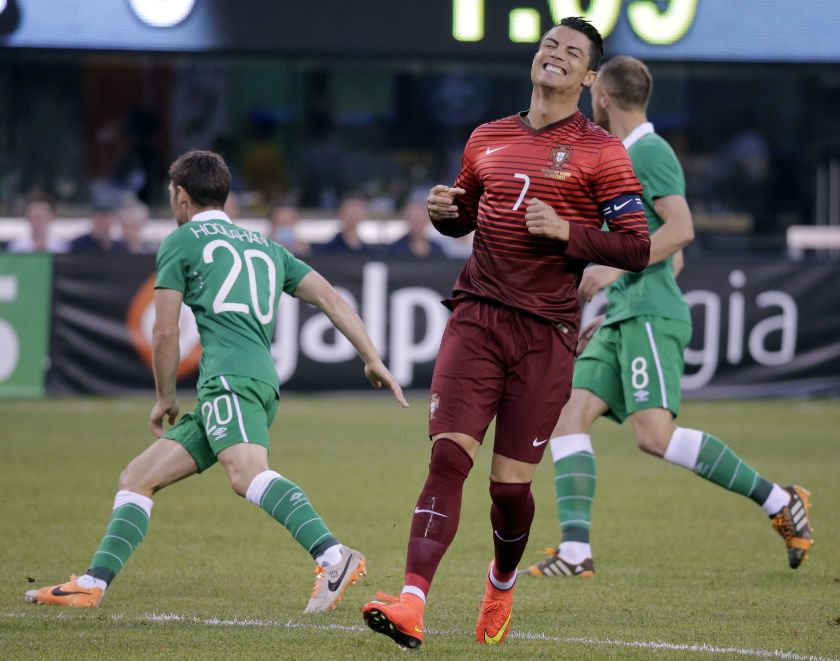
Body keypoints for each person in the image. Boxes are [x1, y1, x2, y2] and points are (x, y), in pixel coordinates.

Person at [361, 18, 651, 649]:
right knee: (447, 457)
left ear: (589, 77)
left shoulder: (602, 152)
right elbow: (465, 214)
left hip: (546, 336)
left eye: (572, 53)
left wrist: (569, 234)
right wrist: (448, 214)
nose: (557, 56)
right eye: (550, 45)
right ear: (535, 58)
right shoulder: (487, 137)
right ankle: (412, 601)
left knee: (509, 490)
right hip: (477, 318)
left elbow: (636, 246)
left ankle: (502, 578)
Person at [25, 150, 409, 613]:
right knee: (138, 478)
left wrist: (164, 397)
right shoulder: (267, 246)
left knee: (246, 474)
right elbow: (329, 297)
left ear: (180, 195)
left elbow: (164, 331)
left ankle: (333, 555)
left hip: (230, 380)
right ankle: (93, 583)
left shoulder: (182, 241)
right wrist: (373, 358)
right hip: (250, 382)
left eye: (171, 194)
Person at [523, 56, 813, 580]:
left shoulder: (650, 152)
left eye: (593, 93)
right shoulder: (625, 155)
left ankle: (779, 499)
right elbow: (669, 253)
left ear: (603, 97)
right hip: (627, 315)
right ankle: (574, 552)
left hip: (650, 314)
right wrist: (616, 297)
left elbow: (681, 231)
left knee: (653, 436)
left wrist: (614, 270)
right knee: (568, 416)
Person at [312, 192, 378, 255]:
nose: (353, 215)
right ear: (340, 213)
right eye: (350, 211)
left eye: (357, 211)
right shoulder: (325, 251)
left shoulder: (369, 253)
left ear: (364, 214)